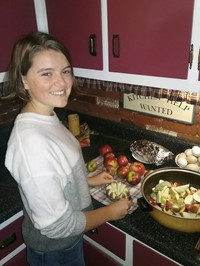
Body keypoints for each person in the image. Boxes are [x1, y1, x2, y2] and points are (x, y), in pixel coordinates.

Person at [4, 31, 133, 266]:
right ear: (24, 80)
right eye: (46, 74)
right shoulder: (32, 145)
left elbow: (59, 172)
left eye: (65, 71)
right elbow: (56, 226)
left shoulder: (46, 115)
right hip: (53, 251)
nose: (62, 83)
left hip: (68, 240)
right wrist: (109, 213)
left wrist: (87, 180)